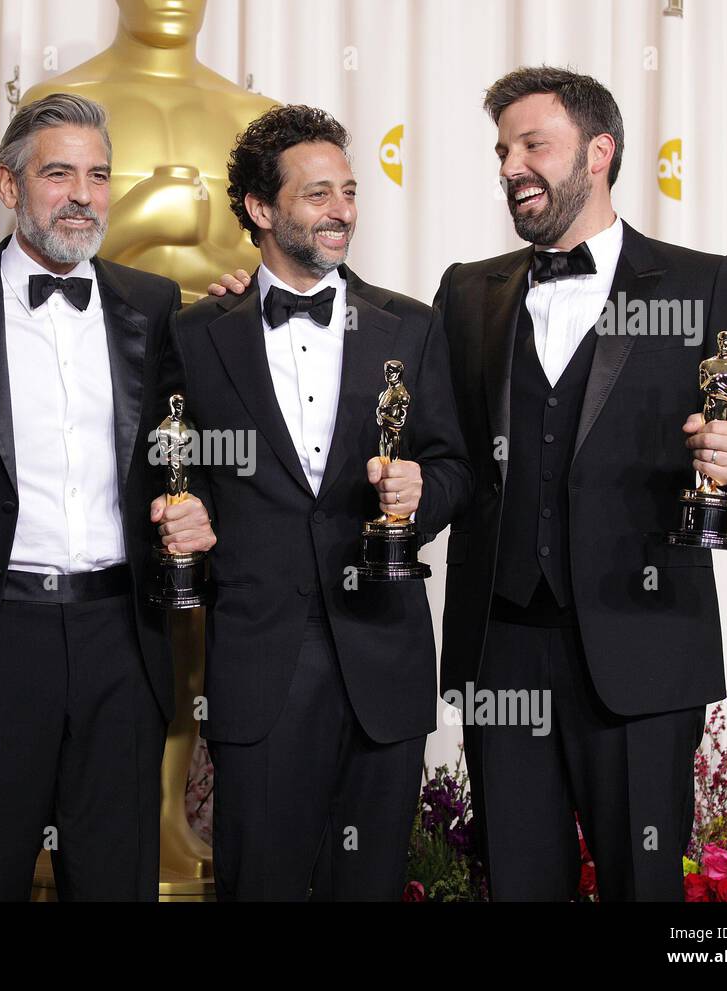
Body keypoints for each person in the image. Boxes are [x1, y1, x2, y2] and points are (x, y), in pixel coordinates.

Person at [435, 67, 727, 900]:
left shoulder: (701, 283)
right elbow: (437, 444)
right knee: (515, 881)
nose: (512, 164)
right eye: (503, 149)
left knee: (644, 884)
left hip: (642, 641)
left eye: (533, 144)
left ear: (599, 151)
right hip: (503, 644)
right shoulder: (467, 291)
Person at [0, 93, 214, 901]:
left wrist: (195, 504)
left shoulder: (154, 303)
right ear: (8, 185)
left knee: (116, 881)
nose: (83, 194)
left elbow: (187, 446)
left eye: (99, 175)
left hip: (120, 633)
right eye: (58, 172)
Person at [185, 105, 471, 900]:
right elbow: (170, 469)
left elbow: (454, 463)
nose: (341, 209)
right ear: (261, 209)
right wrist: (187, 515)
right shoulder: (196, 332)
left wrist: (422, 493)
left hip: (383, 659)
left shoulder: (411, 326)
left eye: (348, 190)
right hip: (258, 663)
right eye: (317, 194)